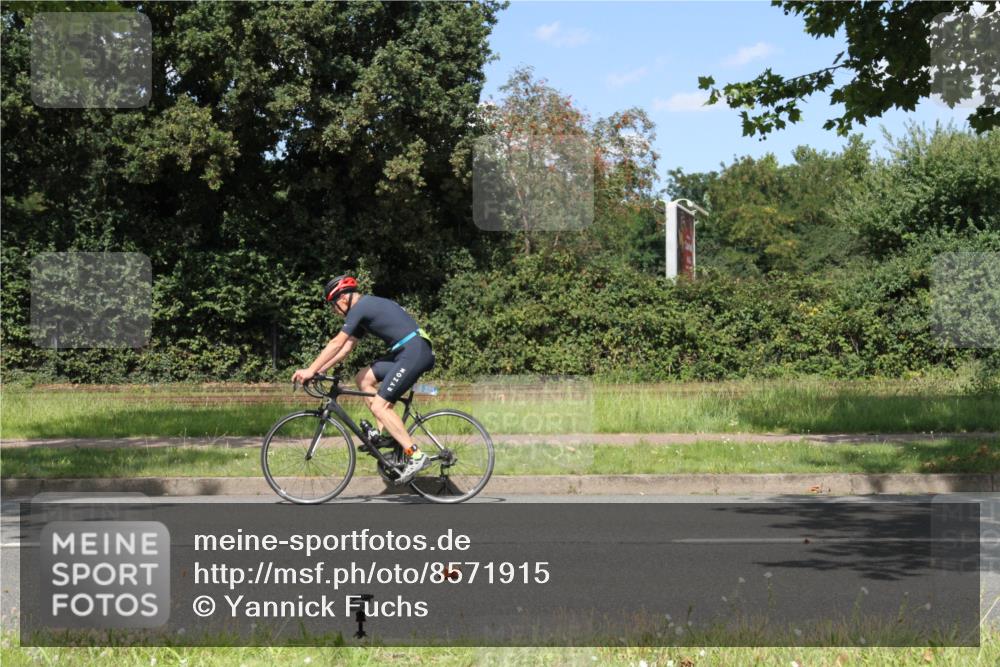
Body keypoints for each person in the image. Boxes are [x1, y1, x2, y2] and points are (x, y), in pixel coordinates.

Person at [292, 275, 435, 484]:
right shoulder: (363, 310)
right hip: (406, 351)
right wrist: (319, 370)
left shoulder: (361, 307)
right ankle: (385, 434)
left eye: (333, 305)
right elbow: (345, 349)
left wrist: (310, 370)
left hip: (413, 351)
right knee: (363, 378)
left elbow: (336, 343)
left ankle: (415, 455)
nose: (334, 311)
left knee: (379, 406)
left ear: (342, 299)